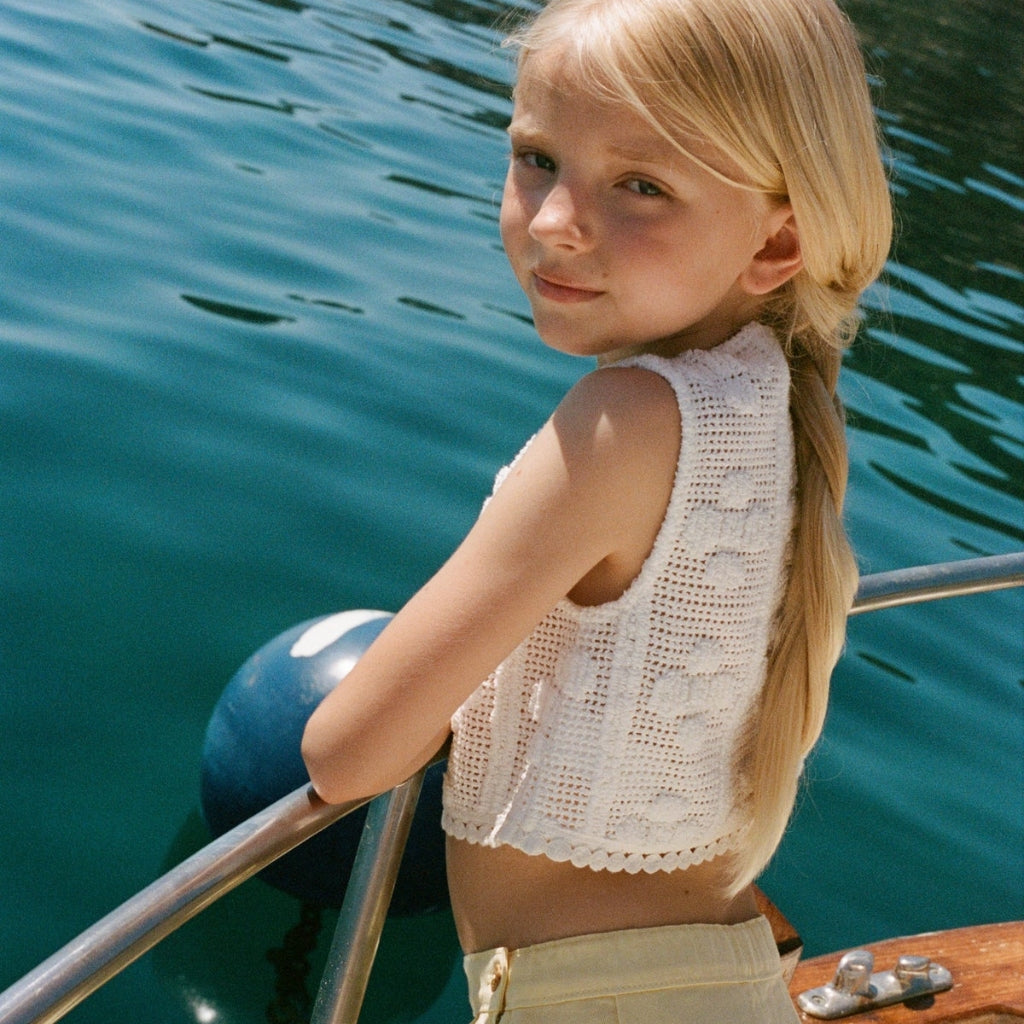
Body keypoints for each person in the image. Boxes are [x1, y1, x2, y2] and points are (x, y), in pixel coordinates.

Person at [302, 0, 892, 1018]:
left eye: (641, 186)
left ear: (778, 240)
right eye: (537, 159)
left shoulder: (625, 422)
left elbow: (348, 753)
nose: (552, 222)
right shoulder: (774, 399)